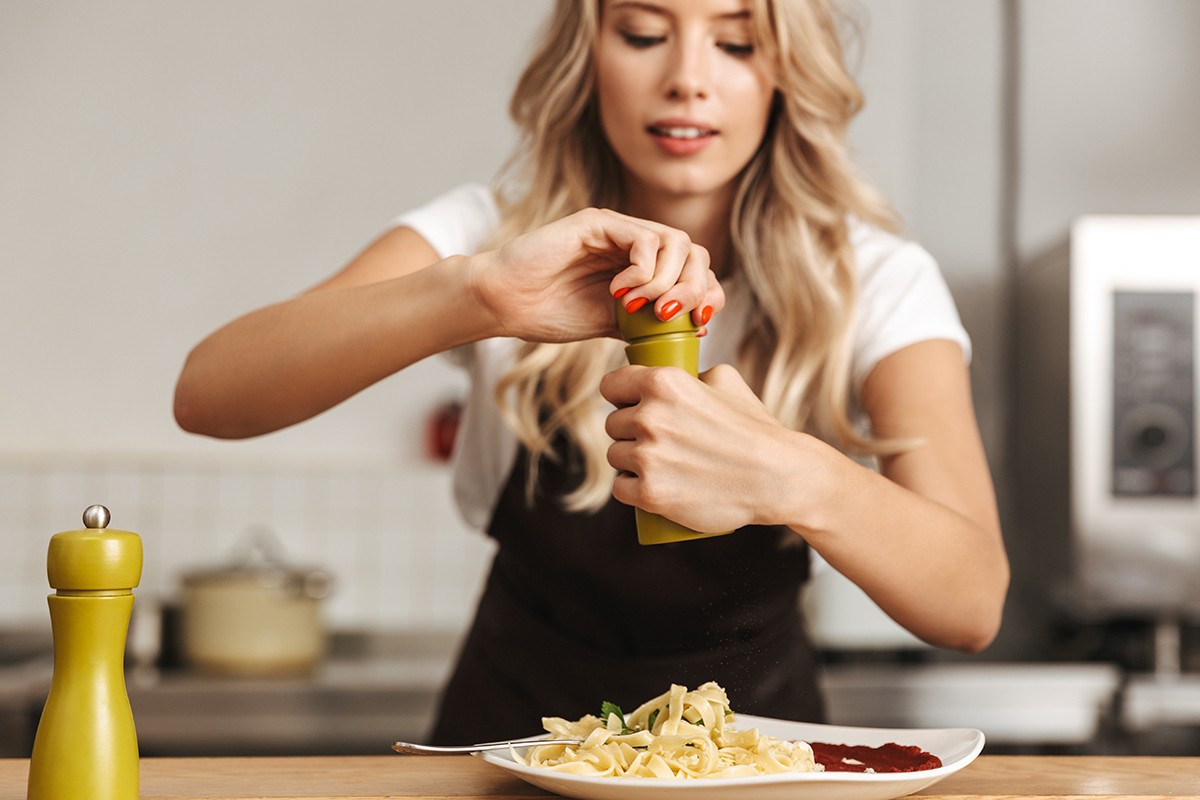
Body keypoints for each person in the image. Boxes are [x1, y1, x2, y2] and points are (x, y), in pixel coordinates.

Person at [174, 0, 1009, 744]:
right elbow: (210, 393)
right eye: (644, 32)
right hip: (508, 756)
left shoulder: (875, 282)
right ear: (590, 48)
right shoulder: (486, 235)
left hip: (753, 762)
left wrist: (793, 476)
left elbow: (972, 604)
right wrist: (476, 293)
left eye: (737, 42)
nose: (687, 79)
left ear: (786, 71)